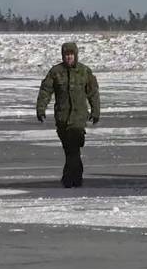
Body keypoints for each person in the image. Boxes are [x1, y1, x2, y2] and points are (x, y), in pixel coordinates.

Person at [36, 42, 100, 188]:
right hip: (62, 118)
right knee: (70, 149)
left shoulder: (84, 71)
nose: (69, 57)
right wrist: (40, 109)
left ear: (75, 55)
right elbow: (45, 91)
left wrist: (96, 111)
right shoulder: (55, 72)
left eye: (71, 54)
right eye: (66, 55)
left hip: (79, 118)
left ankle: (69, 178)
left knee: (73, 147)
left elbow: (93, 93)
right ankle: (76, 178)